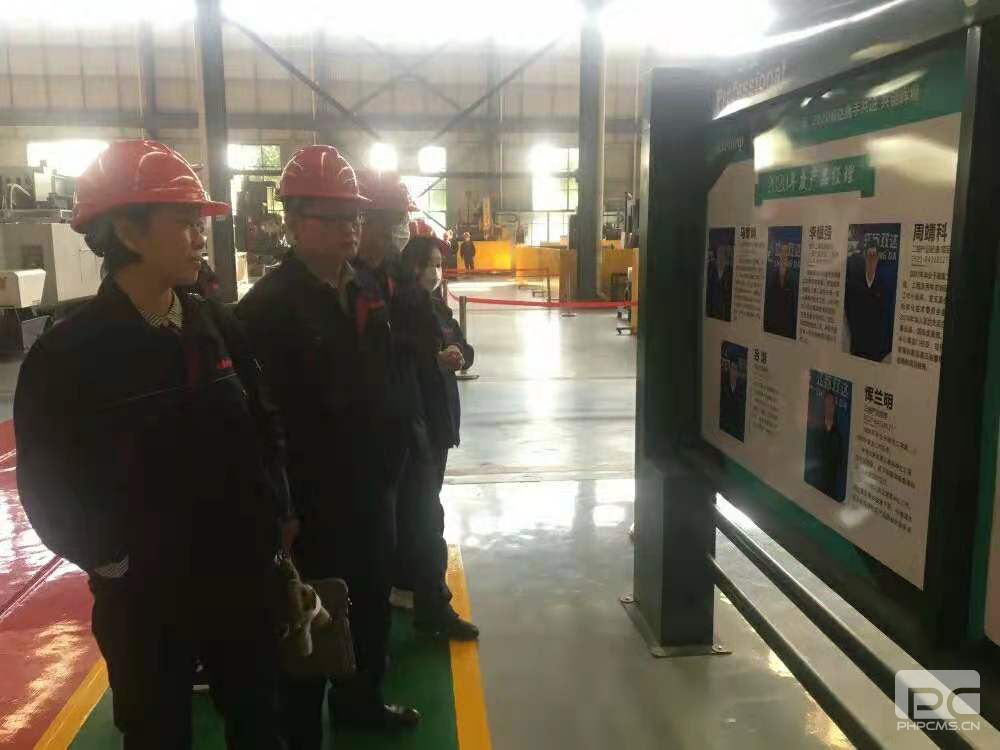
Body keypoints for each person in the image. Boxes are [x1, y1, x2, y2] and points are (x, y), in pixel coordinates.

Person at [14, 140, 290, 749]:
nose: (199, 238)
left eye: (199, 223)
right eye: (184, 223)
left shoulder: (216, 326)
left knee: (259, 721)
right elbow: (48, 483)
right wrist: (112, 561)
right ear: (128, 232)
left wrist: (274, 523)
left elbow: (263, 427)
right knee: (157, 729)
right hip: (145, 596)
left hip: (238, 579)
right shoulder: (69, 355)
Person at [236, 147, 420, 747]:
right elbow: (260, 423)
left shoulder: (365, 288)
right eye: (334, 217)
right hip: (311, 500)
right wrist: (282, 506)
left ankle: (360, 703)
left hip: (373, 484)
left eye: (355, 217)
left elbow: (387, 378)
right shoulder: (265, 310)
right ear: (293, 222)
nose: (351, 228)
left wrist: (395, 456)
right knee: (308, 616)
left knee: (369, 602)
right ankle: (302, 732)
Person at [393, 236, 480, 640]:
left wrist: (459, 353)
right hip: (416, 426)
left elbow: (463, 345)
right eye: (426, 264)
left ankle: (412, 585)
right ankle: (421, 594)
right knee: (425, 513)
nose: (433, 272)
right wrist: (433, 359)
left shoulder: (440, 309)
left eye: (438, 265)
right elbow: (399, 361)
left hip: (440, 424)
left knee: (424, 508)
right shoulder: (400, 310)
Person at [844, 241, 893, 362]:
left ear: (878, 258)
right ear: (864, 257)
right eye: (869, 256)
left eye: (874, 256)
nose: (871, 259)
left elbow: (886, 315)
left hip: (878, 350)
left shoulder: (884, 284)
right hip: (857, 346)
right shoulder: (853, 285)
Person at [804, 391, 844, 501]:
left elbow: (840, 462)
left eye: (831, 404)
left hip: (830, 488)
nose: (829, 408)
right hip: (815, 486)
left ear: (834, 407)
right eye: (827, 404)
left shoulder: (837, 434)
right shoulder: (816, 429)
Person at [763, 241, 798, 338]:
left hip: (787, 322)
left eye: (786, 251)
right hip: (773, 320)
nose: (784, 254)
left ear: (789, 255)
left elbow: (794, 300)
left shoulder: (793, 275)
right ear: (778, 253)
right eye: (782, 251)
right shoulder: (772, 273)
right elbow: (768, 298)